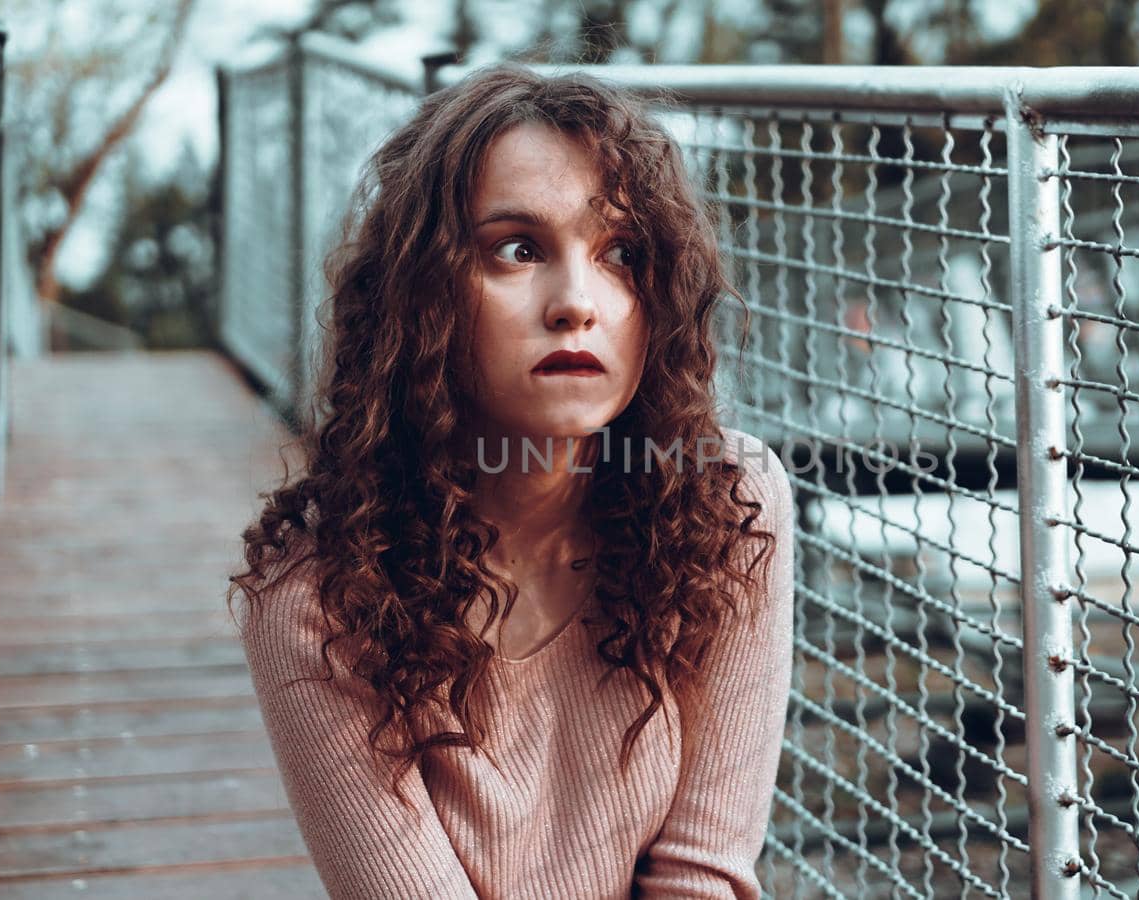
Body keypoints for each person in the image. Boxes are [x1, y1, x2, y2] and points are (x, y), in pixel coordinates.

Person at [225, 60, 796, 900]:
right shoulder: (317, 595)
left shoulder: (729, 509)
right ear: (422, 297)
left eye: (621, 253)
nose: (577, 302)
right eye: (517, 249)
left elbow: (701, 876)